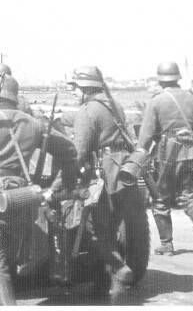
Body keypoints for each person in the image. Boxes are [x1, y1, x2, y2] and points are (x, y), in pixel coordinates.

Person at [0, 73, 77, 305]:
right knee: (5, 259)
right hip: (23, 198)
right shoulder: (34, 123)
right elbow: (69, 150)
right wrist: (61, 185)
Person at [68, 65, 140, 302]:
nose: (73, 92)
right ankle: (105, 285)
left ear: (86, 89)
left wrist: (65, 179)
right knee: (111, 227)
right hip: (125, 171)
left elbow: (79, 151)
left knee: (95, 229)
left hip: (104, 175)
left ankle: (119, 271)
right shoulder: (114, 104)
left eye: (75, 88)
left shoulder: (87, 111)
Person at [137, 61, 193, 259]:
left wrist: (140, 153)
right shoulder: (192, 98)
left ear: (160, 80)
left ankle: (167, 245)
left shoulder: (157, 101)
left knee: (161, 199)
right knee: (190, 196)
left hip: (167, 157)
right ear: (177, 78)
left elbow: (146, 136)